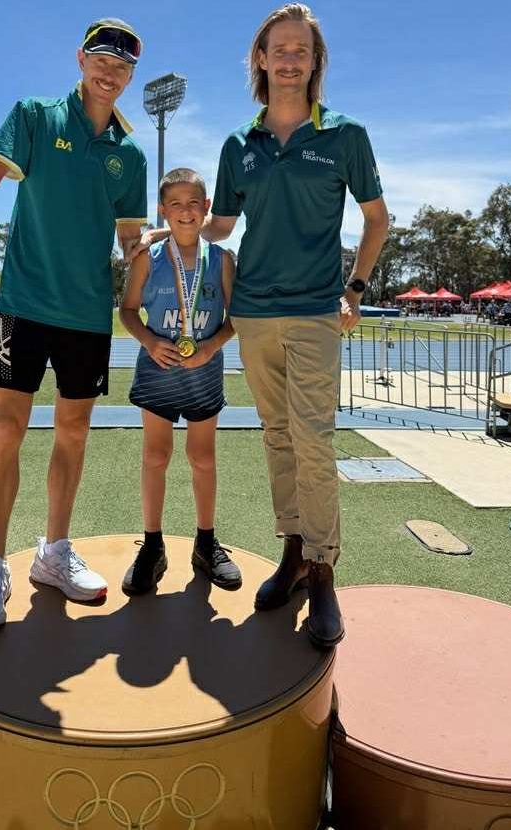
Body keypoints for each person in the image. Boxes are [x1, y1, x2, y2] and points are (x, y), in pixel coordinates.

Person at [137, 4, 388, 648]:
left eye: (301, 49)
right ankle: (294, 553)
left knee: (314, 441)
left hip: (314, 310)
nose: (289, 59)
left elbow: (377, 219)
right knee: (278, 437)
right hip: (252, 313)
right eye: (280, 49)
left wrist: (355, 289)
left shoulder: (345, 135)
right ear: (261, 59)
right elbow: (222, 226)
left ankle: (324, 571)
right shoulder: (238, 145)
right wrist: (174, 228)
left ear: (315, 60)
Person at [0, 18, 147, 629]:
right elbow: (0, 163)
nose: (110, 72)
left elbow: (128, 238)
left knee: (73, 432)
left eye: (122, 67)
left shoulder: (131, 154)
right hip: (23, 304)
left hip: (87, 314)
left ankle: (54, 552)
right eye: (101, 60)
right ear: (81, 60)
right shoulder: (37, 116)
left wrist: (157, 257)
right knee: (6, 431)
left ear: (130, 77)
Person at [120, 168, 242, 595]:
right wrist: (150, 340)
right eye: (176, 204)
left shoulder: (222, 260)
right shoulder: (148, 258)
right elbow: (127, 311)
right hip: (157, 371)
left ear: (206, 207)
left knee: (202, 457)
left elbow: (235, 319)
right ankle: (152, 546)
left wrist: (211, 347)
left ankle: (205, 543)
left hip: (204, 373)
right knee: (155, 456)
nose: (185, 211)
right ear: (163, 210)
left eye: (193, 203)